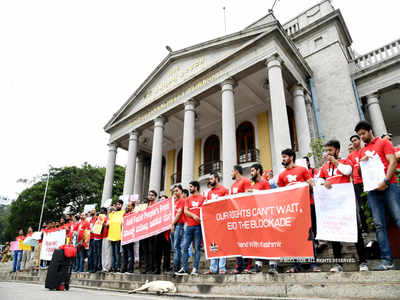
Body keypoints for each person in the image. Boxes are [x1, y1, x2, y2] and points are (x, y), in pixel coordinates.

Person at [355, 121, 400, 271]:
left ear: (370, 130)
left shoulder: (383, 143)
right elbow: (361, 175)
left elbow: (392, 162)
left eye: (363, 133)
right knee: (379, 225)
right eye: (360, 135)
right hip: (372, 190)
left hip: (389, 186)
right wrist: (362, 165)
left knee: (398, 218)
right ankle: (387, 261)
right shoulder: (362, 152)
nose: (362, 137)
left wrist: (386, 181)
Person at [318, 139, 368, 272]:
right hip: (333, 205)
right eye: (326, 150)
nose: (327, 153)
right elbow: (319, 179)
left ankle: (363, 262)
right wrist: (324, 183)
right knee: (335, 233)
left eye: (330, 150)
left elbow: (347, 172)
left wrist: (334, 161)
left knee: (355, 231)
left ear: (337, 150)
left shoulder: (345, 161)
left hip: (346, 204)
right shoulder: (324, 167)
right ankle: (338, 263)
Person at [278, 148, 319, 273]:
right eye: (282, 157)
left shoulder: (302, 170)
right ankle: (296, 265)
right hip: (291, 211)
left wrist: (305, 186)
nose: (283, 159)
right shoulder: (282, 175)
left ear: (291, 157)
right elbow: (280, 193)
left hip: (306, 207)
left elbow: (312, 184)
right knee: (293, 238)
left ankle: (313, 264)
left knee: (309, 236)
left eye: (284, 157)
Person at [176, 181, 205, 276]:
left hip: (198, 227)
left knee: (197, 248)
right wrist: (194, 216)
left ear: (196, 187)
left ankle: (195, 268)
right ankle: (184, 268)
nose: (190, 188)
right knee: (184, 247)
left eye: (191, 187)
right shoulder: (188, 199)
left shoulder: (203, 198)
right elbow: (185, 211)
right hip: (189, 226)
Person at [203, 172, 229, 275]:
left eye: (211, 179)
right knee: (213, 245)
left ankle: (222, 268)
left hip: (221, 221)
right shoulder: (209, 193)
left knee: (222, 244)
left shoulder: (224, 190)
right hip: (212, 223)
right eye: (209, 179)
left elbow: (228, 204)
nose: (210, 180)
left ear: (217, 179)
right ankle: (213, 268)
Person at [230, 165, 251, 274]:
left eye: (232, 171)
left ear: (237, 171)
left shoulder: (246, 181)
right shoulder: (233, 185)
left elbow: (248, 197)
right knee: (237, 242)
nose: (231, 173)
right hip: (235, 217)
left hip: (244, 216)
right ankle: (238, 266)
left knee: (245, 241)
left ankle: (246, 266)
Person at [348, 135, 369, 234]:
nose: (354, 142)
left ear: (360, 140)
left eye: (355, 140)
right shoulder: (350, 156)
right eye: (352, 141)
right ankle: (365, 228)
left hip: (369, 181)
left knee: (371, 202)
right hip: (357, 182)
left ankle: (373, 224)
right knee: (361, 205)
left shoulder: (366, 150)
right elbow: (350, 170)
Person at [141, 191, 158, 274]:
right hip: (144, 231)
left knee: (152, 250)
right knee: (145, 251)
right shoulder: (144, 206)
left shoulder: (156, 205)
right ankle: (146, 267)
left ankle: (152, 267)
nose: (150, 197)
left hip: (152, 231)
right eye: (149, 195)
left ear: (155, 197)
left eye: (152, 195)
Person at [108, 199, 125, 273]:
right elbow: (108, 222)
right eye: (116, 204)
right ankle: (113, 266)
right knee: (113, 253)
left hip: (118, 236)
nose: (117, 206)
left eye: (119, 204)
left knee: (117, 253)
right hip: (111, 235)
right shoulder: (112, 213)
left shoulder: (123, 213)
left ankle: (118, 267)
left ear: (121, 205)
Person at [172, 185, 186, 274]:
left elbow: (179, 213)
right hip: (175, 226)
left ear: (181, 191)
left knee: (177, 247)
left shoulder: (182, 201)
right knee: (175, 248)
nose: (175, 192)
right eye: (174, 191)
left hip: (179, 226)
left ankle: (177, 268)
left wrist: (173, 224)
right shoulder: (176, 202)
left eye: (177, 190)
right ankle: (176, 267)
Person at [122, 202, 135, 273]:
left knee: (130, 254)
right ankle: (124, 268)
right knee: (125, 253)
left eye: (129, 206)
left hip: (130, 236)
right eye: (127, 206)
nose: (127, 207)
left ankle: (130, 269)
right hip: (124, 236)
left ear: (132, 207)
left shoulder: (134, 214)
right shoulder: (124, 214)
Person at [102, 207, 113, 272]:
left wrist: (104, 225)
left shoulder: (109, 218)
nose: (102, 212)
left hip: (108, 236)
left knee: (108, 252)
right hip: (103, 236)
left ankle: (107, 267)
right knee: (103, 252)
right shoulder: (102, 218)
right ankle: (103, 266)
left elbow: (108, 226)